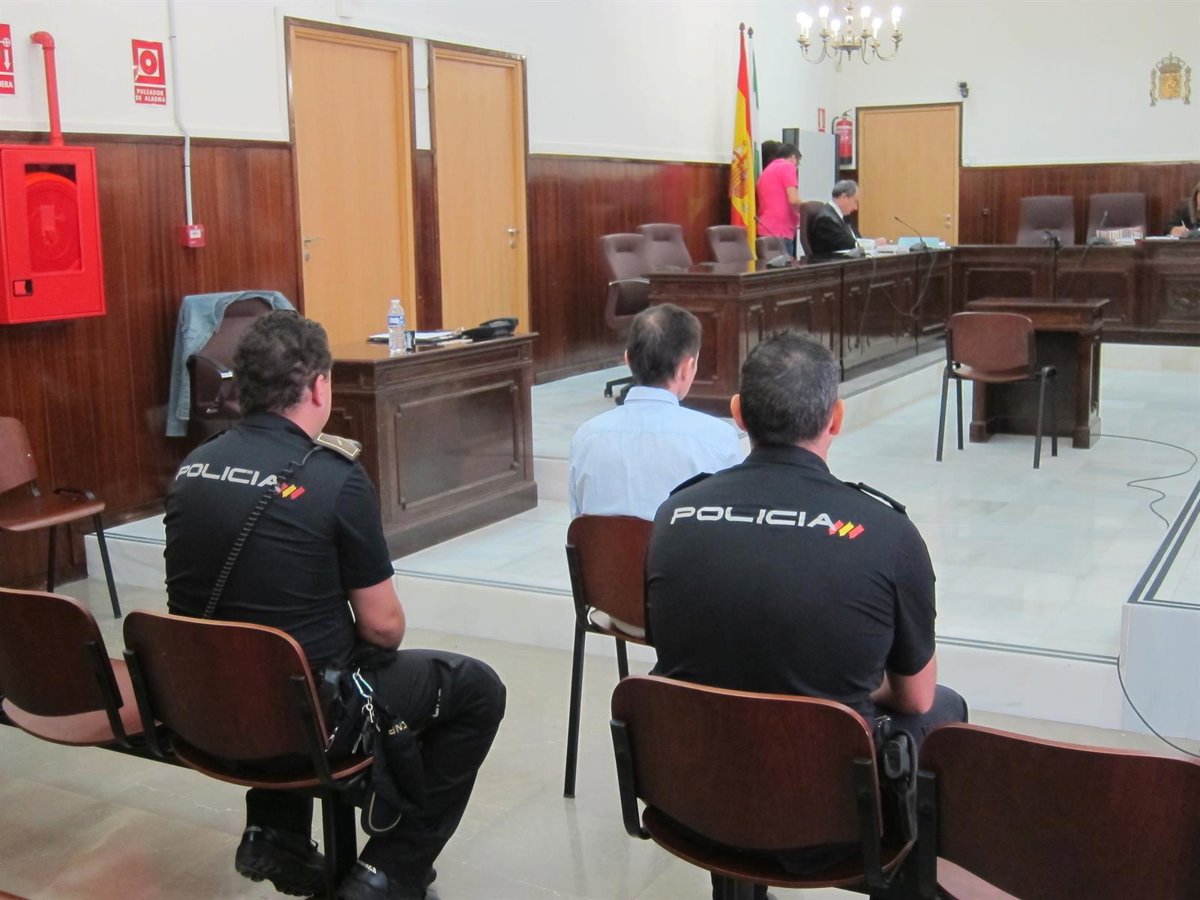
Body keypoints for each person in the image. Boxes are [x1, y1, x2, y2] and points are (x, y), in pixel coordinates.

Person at [164, 311, 506, 900]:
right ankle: (389, 871)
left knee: (274, 647)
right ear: (319, 386)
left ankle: (276, 827)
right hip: (306, 713)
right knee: (475, 689)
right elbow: (385, 628)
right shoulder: (334, 478)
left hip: (203, 701)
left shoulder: (193, 466)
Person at [647, 332, 966, 898]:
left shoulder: (673, 516)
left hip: (696, 803)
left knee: (726, 688)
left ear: (738, 413)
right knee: (945, 707)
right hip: (834, 824)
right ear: (835, 418)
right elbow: (915, 698)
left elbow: (681, 657)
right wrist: (852, 688)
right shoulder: (887, 534)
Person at [569, 303, 742, 634]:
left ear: (627, 360)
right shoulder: (716, 437)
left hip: (611, 603)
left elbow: (581, 525)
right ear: (687, 367)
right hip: (690, 611)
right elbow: (731, 538)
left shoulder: (586, 436)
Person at [807, 179, 887, 255]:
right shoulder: (826, 220)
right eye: (855, 202)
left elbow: (855, 239)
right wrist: (874, 243)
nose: (856, 208)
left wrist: (873, 242)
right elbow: (850, 245)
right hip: (834, 262)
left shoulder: (841, 216)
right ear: (844, 197)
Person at [755, 142, 802, 256]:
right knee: (784, 267)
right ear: (793, 158)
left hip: (765, 229)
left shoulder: (766, 171)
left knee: (768, 266)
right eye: (798, 164)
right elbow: (793, 199)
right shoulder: (787, 166)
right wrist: (807, 211)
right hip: (781, 231)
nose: (796, 168)